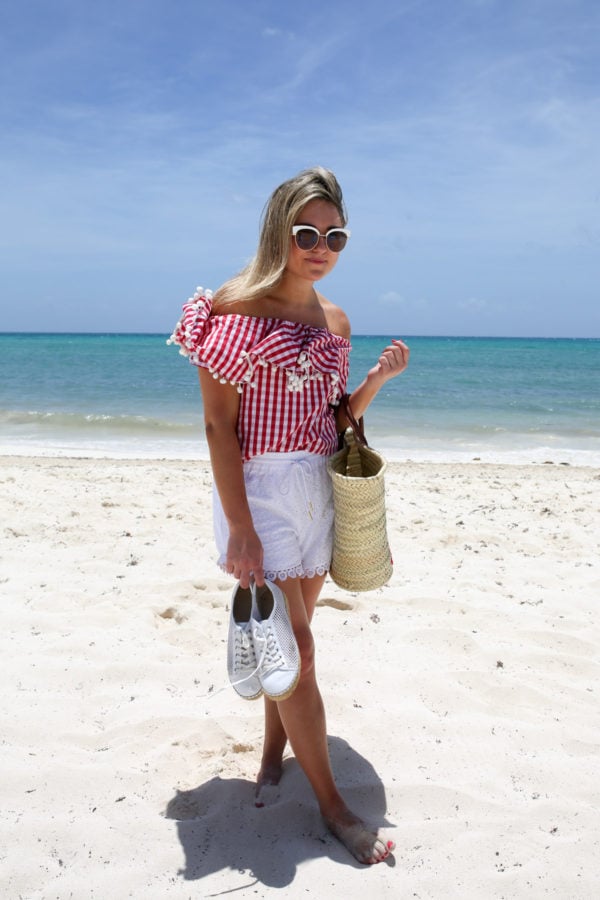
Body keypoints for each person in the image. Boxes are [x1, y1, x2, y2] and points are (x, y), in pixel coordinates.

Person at [169, 166, 409, 864]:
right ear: (280, 229)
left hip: (314, 491)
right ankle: (334, 809)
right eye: (307, 232)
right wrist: (239, 526)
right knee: (299, 649)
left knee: (294, 643)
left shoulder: (335, 321)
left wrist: (373, 384)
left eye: (335, 235)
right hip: (259, 492)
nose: (321, 246)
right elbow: (219, 428)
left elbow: (331, 421)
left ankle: (273, 751)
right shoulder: (233, 309)